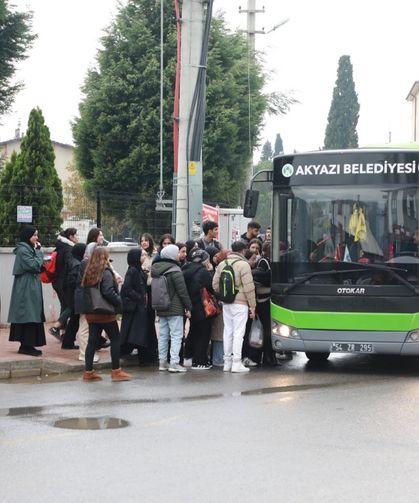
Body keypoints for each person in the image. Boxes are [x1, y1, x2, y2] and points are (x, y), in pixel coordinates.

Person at [81, 246, 131, 381]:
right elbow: (108, 291)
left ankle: (88, 372)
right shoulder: (106, 272)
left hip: (91, 312)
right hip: (105, 313)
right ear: (105, 257)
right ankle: (116, 371)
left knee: (92, 342)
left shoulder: (89, 271)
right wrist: (119, 302)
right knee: (115, 339)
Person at [212, 241, 256, 373]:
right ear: (243, 251)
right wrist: (252, 306)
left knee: (228, 332)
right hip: (241, 304)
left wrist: (223, 296)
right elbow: (249, 287)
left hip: (227, 304)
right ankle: (236, 363)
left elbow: (215, 284)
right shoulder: (244, 265)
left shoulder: (222, 264)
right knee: (238, 333)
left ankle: (227, 363)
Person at [151, 244, 192, 373]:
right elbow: (182, 291)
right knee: (176, 335)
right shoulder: (175, 270)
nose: (179, 255)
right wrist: (188, 307)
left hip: (161, 306)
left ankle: (162, 362)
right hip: (175, 308)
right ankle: (174, 362)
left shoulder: (156, 269)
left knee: (163, 335)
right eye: (177, 253)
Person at [8, 225, 46, 356]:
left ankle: (27, 345)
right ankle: (26, 346)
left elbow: (39, 266)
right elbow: (34, 265)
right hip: (26, 287)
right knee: (28, 314)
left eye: (37, 235)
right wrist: (40, 253)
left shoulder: (29, 249)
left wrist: (38, 254)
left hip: (30, 285)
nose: (37, 238)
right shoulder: (23, 250)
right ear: (27, 236)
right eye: (34, 235)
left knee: (32, 314)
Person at [182, 249, 214, 370]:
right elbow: (211, 287)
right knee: (203, 334)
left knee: (193, 332)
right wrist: (210, 271)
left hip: (189, 306)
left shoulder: (185, 269)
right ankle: (200, 361)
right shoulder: (203, 272)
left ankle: (188, 357)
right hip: (202, 306)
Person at [49, 228, 79, 341]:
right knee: (72, 306)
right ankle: (56, 328)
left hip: (56, 281)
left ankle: (63, 333)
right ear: (71, 237)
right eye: (76, 235)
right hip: (64, 282)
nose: (78, 237)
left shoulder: (60, 247)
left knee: (65, 306)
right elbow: (70, 266)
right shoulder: (69, 249)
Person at [120, 248, 149, 358]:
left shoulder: (138, 270)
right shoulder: (132, 270)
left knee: (134, 330)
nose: (144, 257)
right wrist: (139, 297)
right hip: (135, 306)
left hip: (138, 305)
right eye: (141, 256)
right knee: (133, 329)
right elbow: (127, 288)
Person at [60, 242, 86, 350]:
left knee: (74, 319)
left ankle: (67, 342)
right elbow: (73, 281)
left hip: (70, 294)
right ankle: (99, 341)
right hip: (74, 295)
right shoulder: (77, 264)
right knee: (76, 319)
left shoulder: (72, 261)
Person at [138, 232, 158, 363]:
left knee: (150, 318)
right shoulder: (138, 254)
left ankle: (152, 349)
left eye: (146, 240)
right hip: (141, 289)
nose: (144, 242)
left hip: (151, 288)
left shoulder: (155, 255)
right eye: (142, 240)